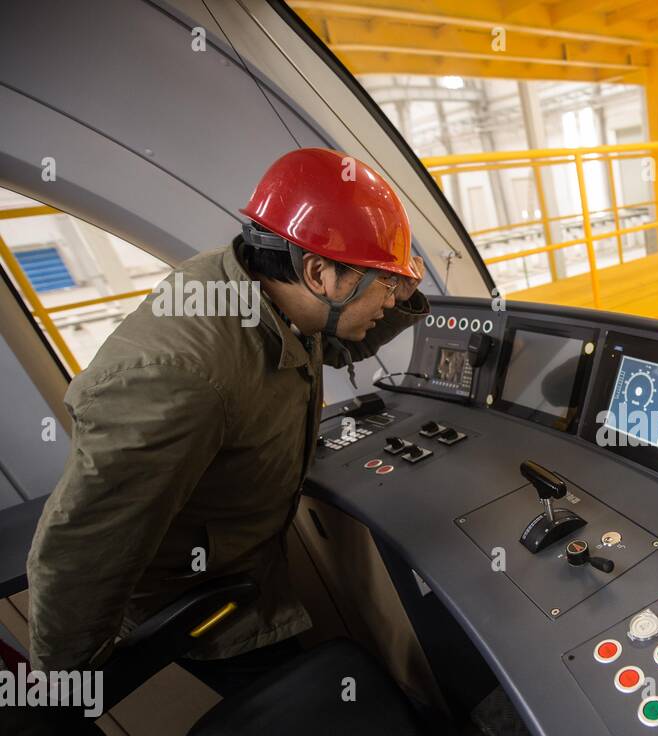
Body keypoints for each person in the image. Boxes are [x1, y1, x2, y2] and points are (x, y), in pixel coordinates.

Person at [25, 147, 429, 695]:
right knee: (285, 708)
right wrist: (66, 697)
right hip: (198, 600)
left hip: (243, 562)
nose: (391, 296)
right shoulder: (180, 380)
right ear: (320, 273)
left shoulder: (264, 287)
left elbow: (332, 345)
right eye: (385, 283)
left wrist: (399, 299)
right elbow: (81, 547)